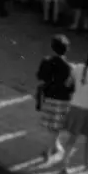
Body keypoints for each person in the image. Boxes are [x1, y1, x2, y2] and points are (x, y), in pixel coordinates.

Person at [35, 35, 76, 164]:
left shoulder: (46, 61)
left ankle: (53, 147)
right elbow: (72, 86)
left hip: (49, 97)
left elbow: (40, 76)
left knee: (52, 126)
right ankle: (52, 148)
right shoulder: (70, 67)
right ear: (67, 49)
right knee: (57, 125)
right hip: (63, 99)